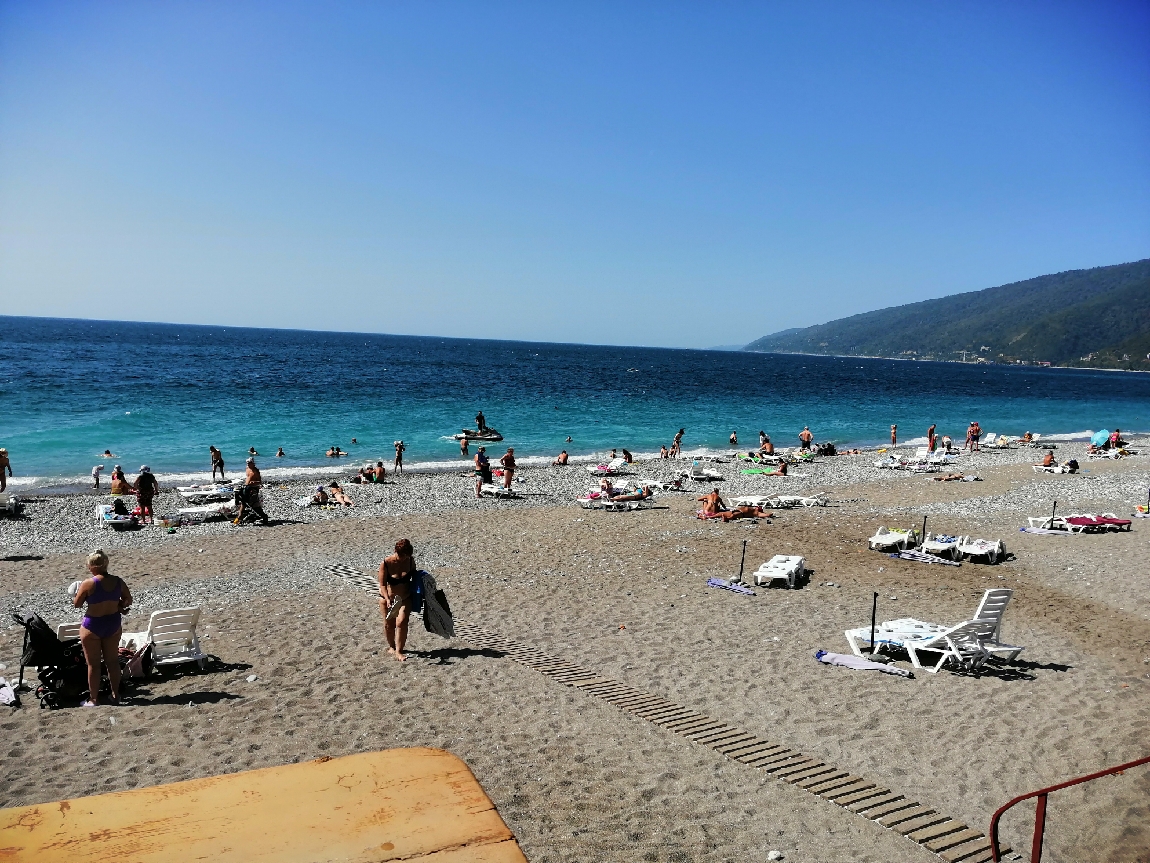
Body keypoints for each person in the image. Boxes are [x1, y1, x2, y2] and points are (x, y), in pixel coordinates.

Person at [73, 549, 132, 706]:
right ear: (106, 564)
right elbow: (128, 600)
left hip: (93, 625)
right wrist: (118, 604)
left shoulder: (88, 583)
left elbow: (77, 604)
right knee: (112, 662)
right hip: (112, 623)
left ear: (92, 566)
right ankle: (115, 695)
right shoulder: (118, 581)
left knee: (93, 665)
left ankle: (93, 699)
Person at [378, 538, 417, 661]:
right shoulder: (386, 563)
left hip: (404, 598)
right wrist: (387, 599)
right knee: (389, 625)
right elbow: (382, 585)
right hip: (388, 599)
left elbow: (415, 577)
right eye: (402, 556)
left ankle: (399, 651)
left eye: (406, 556)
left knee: (401, 622)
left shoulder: (410, 561)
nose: (404, 559)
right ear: (396, 551)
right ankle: (392, 647)